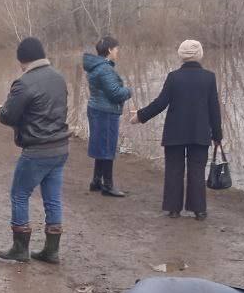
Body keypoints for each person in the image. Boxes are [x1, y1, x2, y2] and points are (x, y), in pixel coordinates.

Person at [0, 38, 70, 264]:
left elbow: (9, 116)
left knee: (19, 194)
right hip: (60, 148)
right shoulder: (59, 78)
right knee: (53, 199)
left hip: (37, 150)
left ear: (23, 60)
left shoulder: (24, 83)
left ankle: (20, 248)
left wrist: (1, 112)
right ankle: (52, 250)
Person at [131, 39, 223, 220]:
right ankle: (199, 210)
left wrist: (141, 116)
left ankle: (173, 209)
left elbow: (160, 103)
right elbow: (214, 108)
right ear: (200, 55)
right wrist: (218, 135)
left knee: (174, 169)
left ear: (181, 56)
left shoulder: (174, 77)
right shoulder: (209, 77)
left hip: (175, 132)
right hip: (199, 132)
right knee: (197, 170)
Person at [83, 35, 133, 197]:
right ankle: (108, 185)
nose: (118, 52)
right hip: (105, 111)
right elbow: (115, 93)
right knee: (107, 147)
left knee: (101, 145)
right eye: (117, 49)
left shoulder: (97, 66)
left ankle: (96, 181)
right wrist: (128, 91)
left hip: (97, 108)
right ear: (110, 50)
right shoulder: (105, 69)